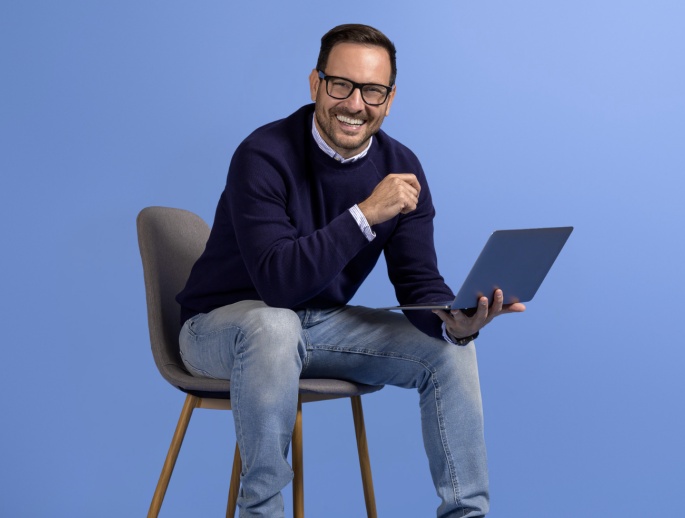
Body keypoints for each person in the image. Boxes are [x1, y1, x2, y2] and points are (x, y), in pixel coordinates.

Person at [176, 23, 523, 518]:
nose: (355, 104)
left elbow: (418, 281)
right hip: (221, 327)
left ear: (390, 98)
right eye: (341, 85)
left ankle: (467, 514)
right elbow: (279, 284)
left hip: (315, 326)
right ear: (316, 84)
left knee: (448, 353)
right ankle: (262, 512)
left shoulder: (402, 166)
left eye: (372, 91)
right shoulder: (263, 155)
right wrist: (365, 215)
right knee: (274, 324)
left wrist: (453, 320)